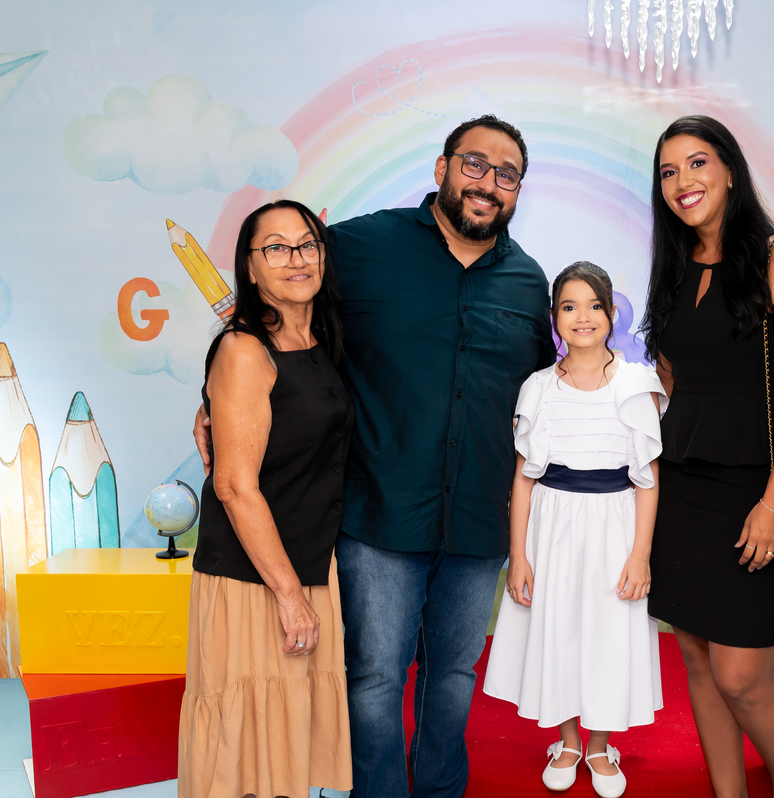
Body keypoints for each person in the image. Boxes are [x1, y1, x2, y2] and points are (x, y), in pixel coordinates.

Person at [194, 115, 556, 798]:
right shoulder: (357, 246)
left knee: (453, 679)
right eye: (475, 164)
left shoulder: (529, 282)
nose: (488, 183)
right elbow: (273, 316)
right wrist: (214, 396)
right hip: (379, 513)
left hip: (478, 520)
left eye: (507, 174)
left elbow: (543, 393)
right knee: (375, 680)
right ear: (442, 168)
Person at [640, 116, 774, 798]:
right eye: (668, 172)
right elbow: (672, 382)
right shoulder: (673, 268)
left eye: (697, 163)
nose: (682, 181)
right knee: (696, 657)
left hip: (760, 489)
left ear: (729, 170)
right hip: (682, 488)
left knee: (741, 674)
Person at [179, 200, 352, 798]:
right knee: (245, 751)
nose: (296, 259)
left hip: (306, 562)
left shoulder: (321, 339)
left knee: (283, 748)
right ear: (249, 269)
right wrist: (289, 595)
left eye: (306, 244)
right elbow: (233, 485)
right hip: (257, 578)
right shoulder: (244, 350)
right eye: (275, 248)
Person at [484, 263, 667, 798]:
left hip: (616, 526)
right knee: (557, 631)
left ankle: (600, 745)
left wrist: (640, 555)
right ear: (554, 317)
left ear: (611, 314)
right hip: (552, 528)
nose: (582, 317)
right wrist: (520, 556)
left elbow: (648, 480)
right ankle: (566, 742)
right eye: (569, 306)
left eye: (593, 306)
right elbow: (523, 480)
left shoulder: (637, 384)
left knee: (609, 635)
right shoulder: (538, 388)